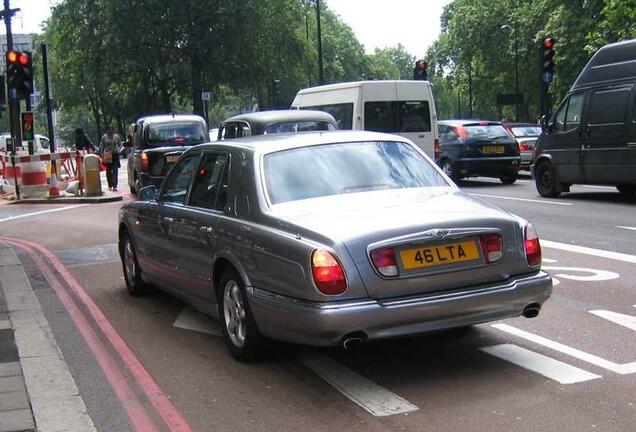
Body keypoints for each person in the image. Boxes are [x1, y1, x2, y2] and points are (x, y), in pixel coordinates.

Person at [99, 127, 122, 191]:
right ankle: (110, 184)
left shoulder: (116, 137)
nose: (110, 131)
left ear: (113, 130)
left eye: (111, 130)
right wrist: (102, 155)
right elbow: (102, 146)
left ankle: (115, 185)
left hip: (115, 154)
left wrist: (118, 150)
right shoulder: (104, 137)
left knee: (115, 170)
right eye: (108, 130)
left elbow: (120, 145)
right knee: (108, 171)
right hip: (107, 155)